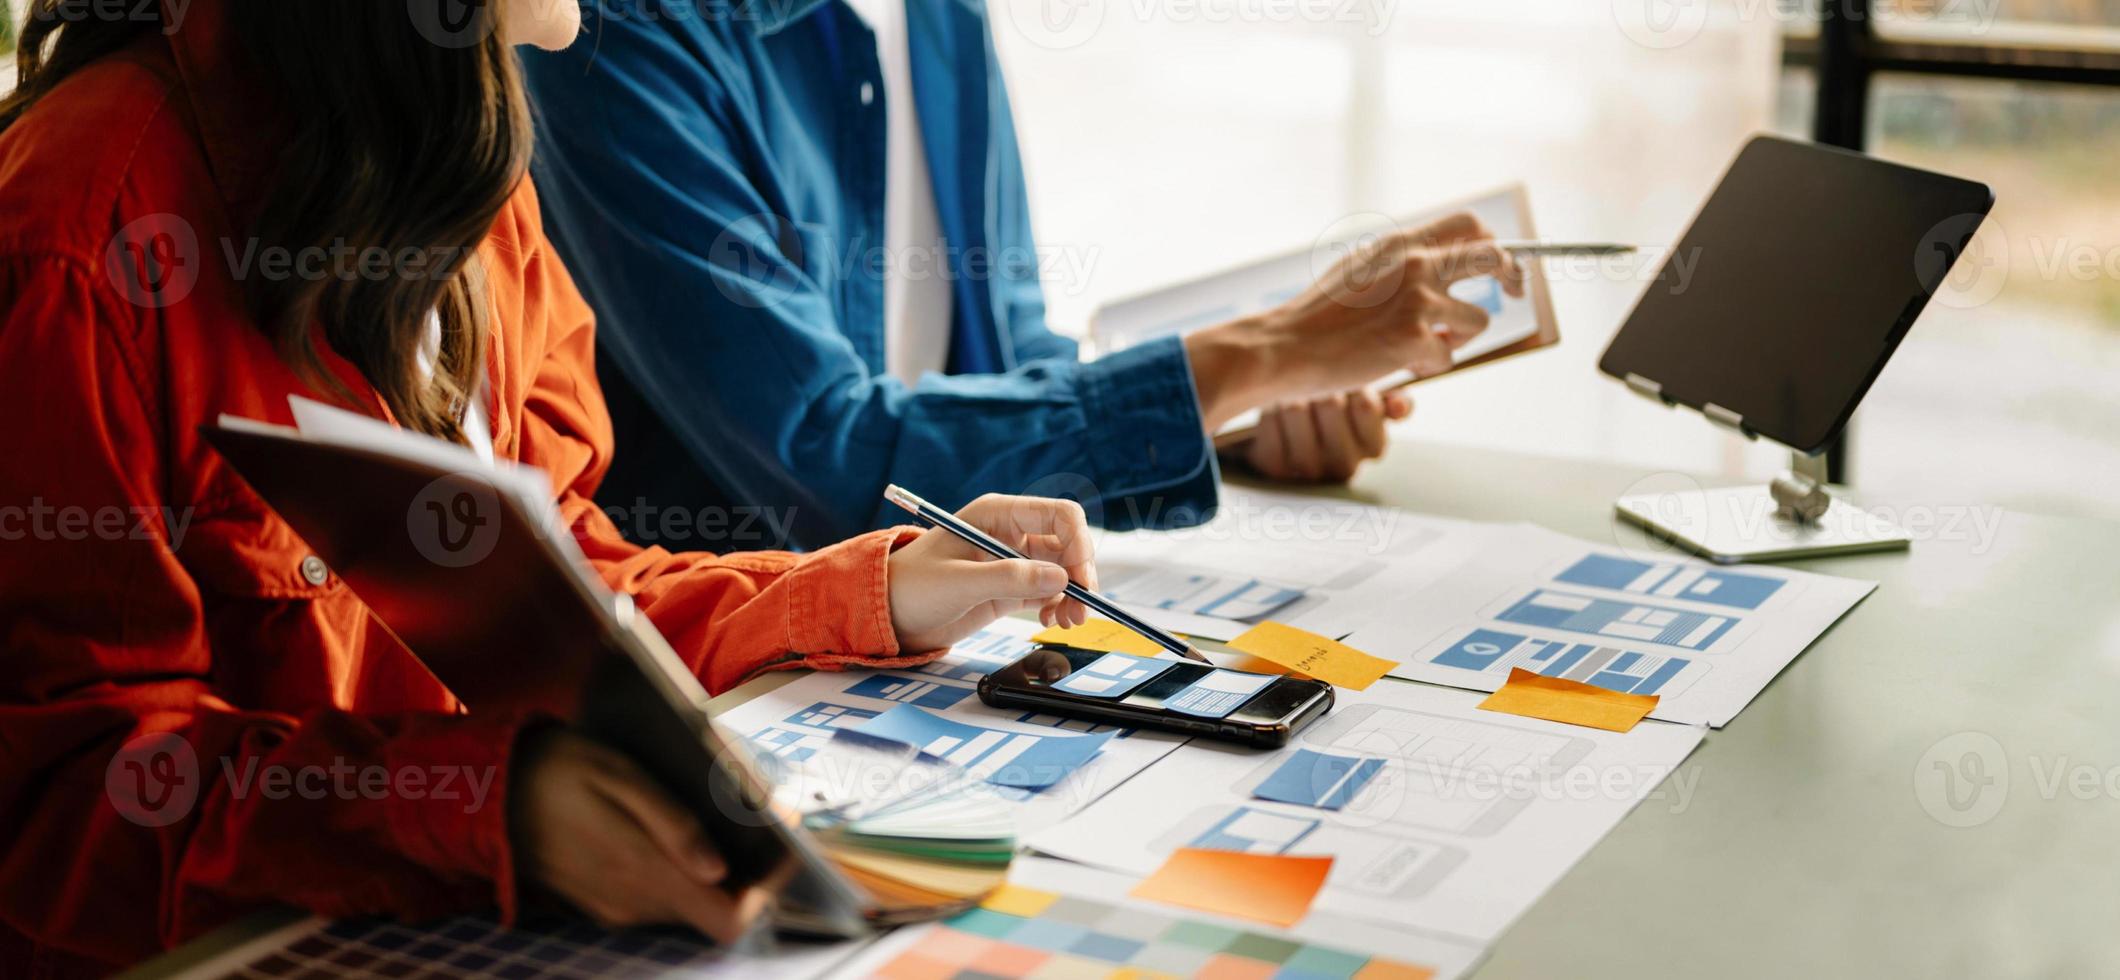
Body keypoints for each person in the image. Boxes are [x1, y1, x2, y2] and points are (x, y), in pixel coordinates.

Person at [0, 1, 1100, 973]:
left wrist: (877, 589)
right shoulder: (79, 227)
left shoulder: (462, 158)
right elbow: (61, 796)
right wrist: (489, 809)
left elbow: (572, 592)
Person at [520, 1, 1522, 549]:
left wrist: (1240, 410)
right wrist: (1267, 349)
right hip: (754, 674)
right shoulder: (609, 32)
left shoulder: (939, 17)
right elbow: (831, 464)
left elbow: (1006, 352)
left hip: (960, 625)